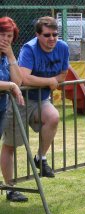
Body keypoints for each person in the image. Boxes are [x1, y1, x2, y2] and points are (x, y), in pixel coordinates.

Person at [1, 16, 69, 201]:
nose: (52, 39)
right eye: (47, 35)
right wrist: (49, 81)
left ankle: (41, 158)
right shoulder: (29, 48)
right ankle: (10, 188)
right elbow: (24, 79)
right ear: (38, 35)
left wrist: (51, 81)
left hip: (41, 99)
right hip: (18, 102)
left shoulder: (62, 47)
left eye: (55, 34)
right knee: (10, 145)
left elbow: (63, 75)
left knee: (53, 117)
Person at [0, 17, 26, 202]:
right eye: (2, 34)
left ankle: (9, 188)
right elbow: (13, 85)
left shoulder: (5, 56)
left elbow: (18, 81)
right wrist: (10, 85)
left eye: (10, 36)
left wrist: (10, 55)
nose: (6, 39)